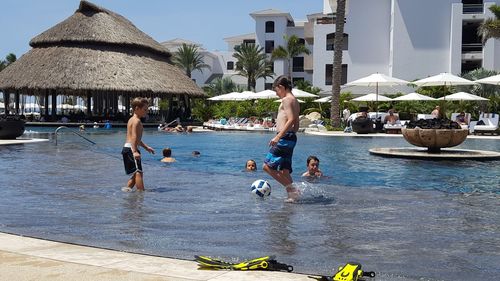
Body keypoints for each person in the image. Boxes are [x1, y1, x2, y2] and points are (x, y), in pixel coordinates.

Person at [262, 75, 300, 203]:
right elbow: (296, 122)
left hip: (283, 137)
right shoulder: (295, 100)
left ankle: (292, 190)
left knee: (266, 167)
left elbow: (290, 119)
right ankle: (293, 196)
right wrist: (291, 134)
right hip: (290, 137)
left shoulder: (286, 100)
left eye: (276, 90)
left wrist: (279, 136)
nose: (277, 94)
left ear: (282, 87)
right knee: (284, 170)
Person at [122, 97, 155, 192]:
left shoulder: (131, 119)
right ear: (137, 108)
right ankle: (141, 193)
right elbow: (134, 138)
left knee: (135, 172)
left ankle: (126, 190)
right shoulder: (137, 121)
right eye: (145, 109)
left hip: (128, 148)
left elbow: (136, 139)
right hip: (131, 149)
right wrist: (135, 151)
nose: (146, 112)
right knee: (138, 173)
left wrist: (146, 147)